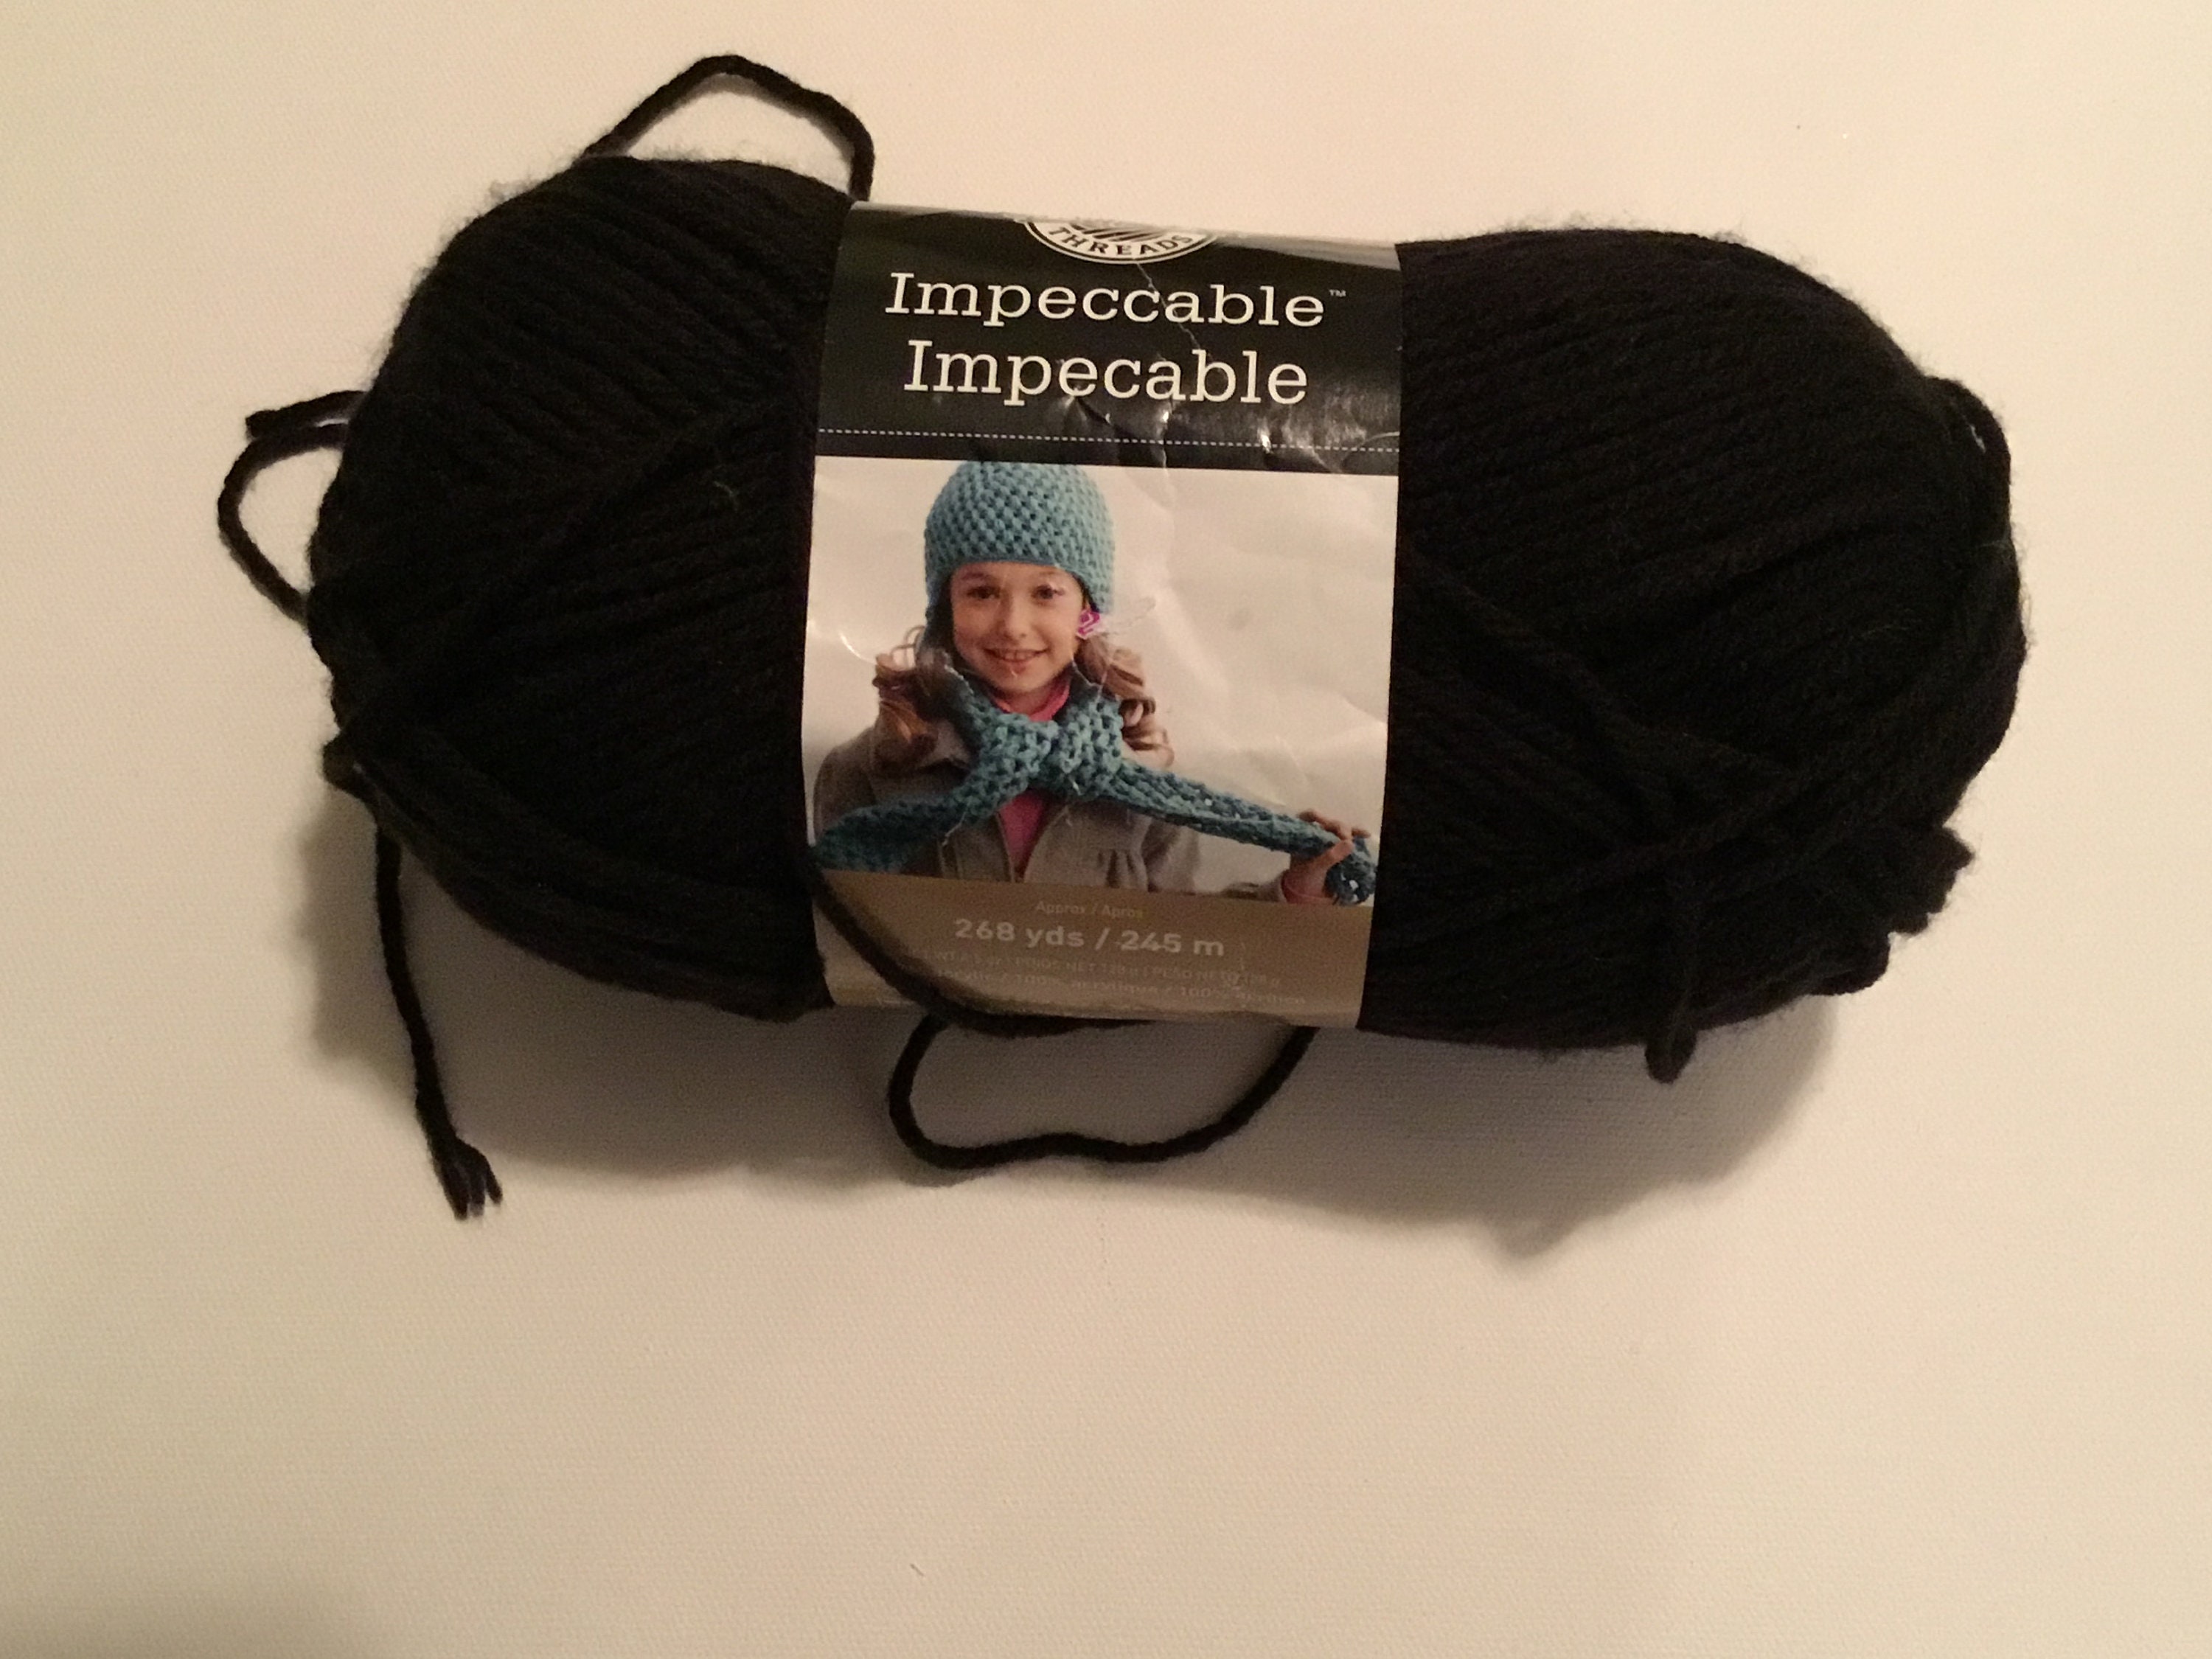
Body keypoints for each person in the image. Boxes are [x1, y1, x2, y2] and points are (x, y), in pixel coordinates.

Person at [812, 462, 1367, 902]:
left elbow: (1181, 943)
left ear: (1086, 612)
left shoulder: (1145, 789)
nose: (1013, 626)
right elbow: (841, 935)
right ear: (945, 609)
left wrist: (1296, 892)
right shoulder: (872, 769)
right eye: (981, 592)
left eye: (1046, 593)